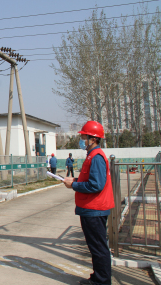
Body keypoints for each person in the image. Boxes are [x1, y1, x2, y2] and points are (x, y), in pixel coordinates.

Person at [63, 121, 114, 285]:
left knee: (99, 248)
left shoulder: (97, 157)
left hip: (94, 209)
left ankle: (102, 281)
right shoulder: (92, 155)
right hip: (91, 209)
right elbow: (90, 180)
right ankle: (98, 277)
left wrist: (74, 185)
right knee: (95, 247)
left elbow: (97, 185)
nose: (81, 139)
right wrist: (76, 180)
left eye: (83, 137)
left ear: (92, 139)